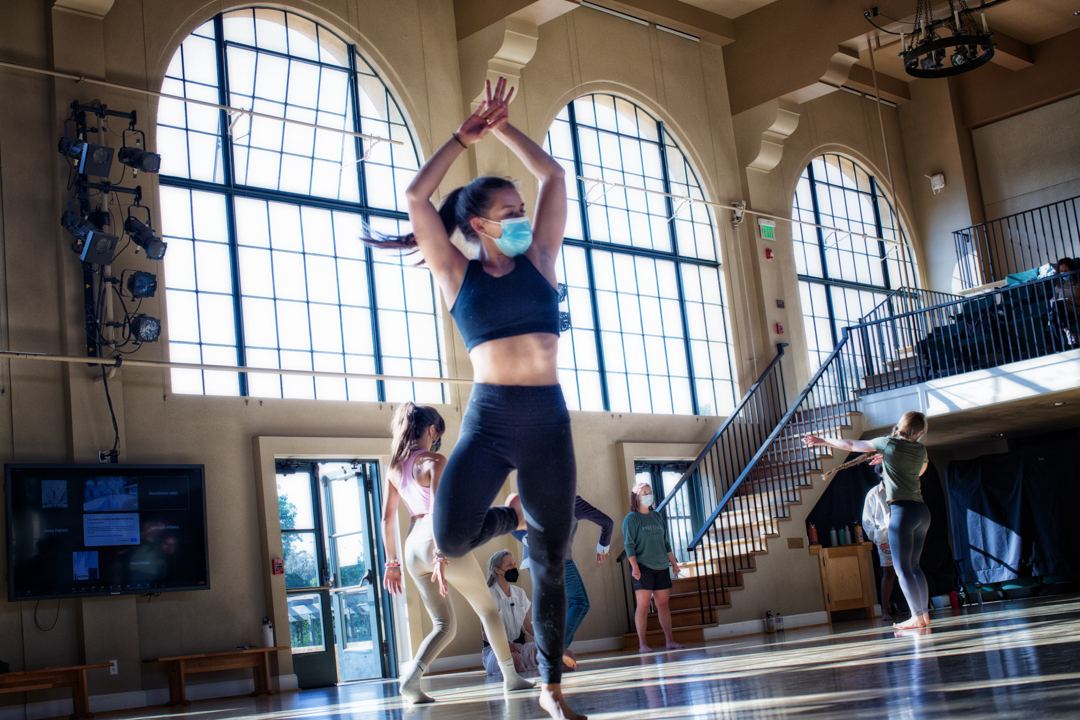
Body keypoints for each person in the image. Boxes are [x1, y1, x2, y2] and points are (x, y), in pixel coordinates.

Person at [365, 76, 581, 720]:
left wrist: (505, 126)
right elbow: (416, 194)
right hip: (489, 424)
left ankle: (549, 685)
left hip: (548, 422)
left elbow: (554, 177)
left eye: (522, 210)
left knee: (551, 558)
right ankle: (513, 516)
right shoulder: (455, 276)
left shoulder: (542, 259)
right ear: (481, 224)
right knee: (449, 537)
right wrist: (464, 136)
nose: (523, 219)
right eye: (510, 213)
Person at [380, 403, 532, 704]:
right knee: (488, 610)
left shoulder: (395, 467)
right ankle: (511, 678)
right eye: (438, 435)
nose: (437, 441)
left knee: (443, 625)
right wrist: (440, 553)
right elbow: (439, 509)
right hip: (437, 540)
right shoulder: (435, 460)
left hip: (411, 548)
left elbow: (387, 519)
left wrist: (391, 563)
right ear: (432, 430)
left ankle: (411, 680)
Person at [803, 411, 930, 629]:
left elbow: (852, 444)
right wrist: (892, 461)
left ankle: (916, 618)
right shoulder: (920, 449)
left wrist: (824, 440)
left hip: (902, 512)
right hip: (921, 512)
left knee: (902, 570)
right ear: (919, 431)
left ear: (902, 424)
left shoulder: (889, 442)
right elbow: (919, 472)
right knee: (915, 566)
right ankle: (924, 615)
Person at [512, 496, 614, 647]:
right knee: (580, 603)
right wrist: (602, 546)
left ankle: (553, 651)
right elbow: (607, 522)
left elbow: (510, 522)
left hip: (532, 561)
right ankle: (557, 651)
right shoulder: (571, 501)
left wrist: (527, 538)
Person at [483, 550, 577, 677]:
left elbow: (528, 626)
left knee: (567, 654)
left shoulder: (519, 593)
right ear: (497, 570)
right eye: (509, 565)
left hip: (518, 648)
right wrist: (504, 645)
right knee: (514, 660)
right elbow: (486, 633)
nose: (514, 567)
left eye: (514, 564)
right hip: (496, 650)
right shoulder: (488, 595)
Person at [622, 482, 683, 653]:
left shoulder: (657, 517)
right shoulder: (631, 519)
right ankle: (643, 645)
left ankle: (670, 641)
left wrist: (674, 563)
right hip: (643, 567)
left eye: (650, 492)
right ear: (636, 497)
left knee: (663, 604)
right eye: (644, 493)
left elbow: (666, 544)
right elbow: (629, 545)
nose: (648, 495)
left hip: (662, 566)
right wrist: (634, 567)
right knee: (642, 606)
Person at [862, 472, 896, 623]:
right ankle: (885, 610)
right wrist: (876, 537)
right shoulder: (873, 494)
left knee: (907, 570)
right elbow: (867, 519)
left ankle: (915, 608)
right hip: (884, 537)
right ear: (881, 474)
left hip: (901, 534)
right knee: (888, 572)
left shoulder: (899, 489)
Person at [1050, 257, 1079, 348]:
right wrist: (1052, 302)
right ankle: (1067, 332)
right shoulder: (1058, 286)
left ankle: (1061, 346)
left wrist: (1072, 301)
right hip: (1063, 314)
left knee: (1054, 317)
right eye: (1062, 271)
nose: (1064, 273)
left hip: (1076, 311)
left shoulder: (1078, 283)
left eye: (1067, 270)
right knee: (1055, 309)